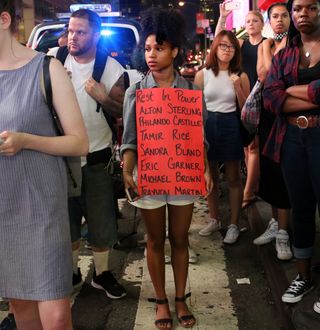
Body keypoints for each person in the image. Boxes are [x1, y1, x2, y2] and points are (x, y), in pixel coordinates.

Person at [121, 7, 212, 329]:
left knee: (181, 239)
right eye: (147, 49)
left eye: (159, 48)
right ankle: (161, 300)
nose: (152, 55)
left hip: (183, 178)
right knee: (155, 240)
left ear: (174, 50)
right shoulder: (137, 92)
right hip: (151, 178)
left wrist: (205, 169)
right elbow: (129, 140)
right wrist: (126, 171)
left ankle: (180, 298)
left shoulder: (191, 93)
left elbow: (199, 139)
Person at [0, 0, 88, 329]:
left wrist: (26, 140)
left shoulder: (46, 69)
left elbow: (79, 141)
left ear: (4, 19)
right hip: (3, 210)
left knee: (56, 318)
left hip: (41, 208)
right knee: (21, 310)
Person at [48, 9, 128, 299]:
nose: (73, 36)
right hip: (60, 159)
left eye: (81, 32)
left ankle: (102, 274)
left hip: (96, 159)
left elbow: (123, 114)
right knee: (65, 221)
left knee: (101, 221)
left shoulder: (112, 68)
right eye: (71, 30)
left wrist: (104, 97)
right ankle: (70, 272)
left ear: (95, 35)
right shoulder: (53, 60)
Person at [263, 0, 320, 315]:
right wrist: (314, 93)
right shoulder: (285, 54)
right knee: (300, 208)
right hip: (290, 139)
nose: (304, 14)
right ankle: (303, 276)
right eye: (298, 9)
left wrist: (293, 91)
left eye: (311, 8)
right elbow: (271, 97)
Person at [194, 31, 250, 244]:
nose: (227, 50)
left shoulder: (241, 75)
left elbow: (247, 110)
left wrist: (237, 87)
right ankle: (214, 218)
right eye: (223, 45)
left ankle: (234, 224)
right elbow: (196, 109)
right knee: (211, 177)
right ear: (215, 48)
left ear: (236, 51)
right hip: (208, 125)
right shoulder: (203, 74)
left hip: (231, 124)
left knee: (234, 177)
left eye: (231, 47)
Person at [253, 2, 293, 261]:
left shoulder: (294, 44)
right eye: (274, 16)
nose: (279, 20)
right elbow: (261, 74)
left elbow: (269, 74)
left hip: (288, 118)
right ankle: (276, 224)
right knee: (270, 173)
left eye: (283, 16)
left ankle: (285, 234)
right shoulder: (267, 45)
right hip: (268, 117)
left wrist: (266, 48)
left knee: (285, 176)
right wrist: (266, 47)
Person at [216, 5, 264, 209]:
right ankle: (254, 186)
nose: (251, 24)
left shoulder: (266, 43)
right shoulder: (241, 44)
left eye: (255, 20)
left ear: (262, 24)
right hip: (240, 95)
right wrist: (222, 18)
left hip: (258, 97)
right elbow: (219, 41)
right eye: (248, 21)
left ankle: (248, 192)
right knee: (246, 145)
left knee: (254, 146)